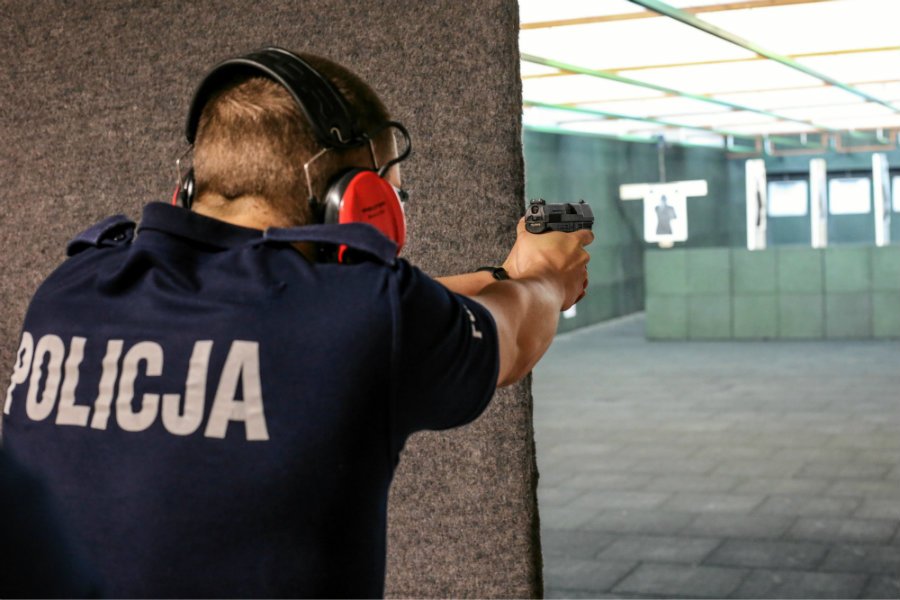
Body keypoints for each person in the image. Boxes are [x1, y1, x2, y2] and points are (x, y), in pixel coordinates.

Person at [2, 47, 591, 598]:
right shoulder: (364, 318)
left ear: (187, 191)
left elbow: (310, 324)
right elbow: (511, 338)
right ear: (354, 201)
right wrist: (546, 277)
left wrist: (495, 274)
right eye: (393, 194)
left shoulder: (74, 285)